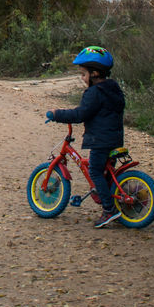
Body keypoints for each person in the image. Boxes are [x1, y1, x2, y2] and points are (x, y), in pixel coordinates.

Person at [46, 46, 125, 228]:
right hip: (114, 138)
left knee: (95, 172)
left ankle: (108, 211)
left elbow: (80, 114)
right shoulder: (113, 89)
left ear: (95, 73)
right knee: (105, 175)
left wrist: (57, 114)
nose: (82, 78)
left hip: (100, 141)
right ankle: (115, 202)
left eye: (84, 74)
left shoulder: (94, 93)